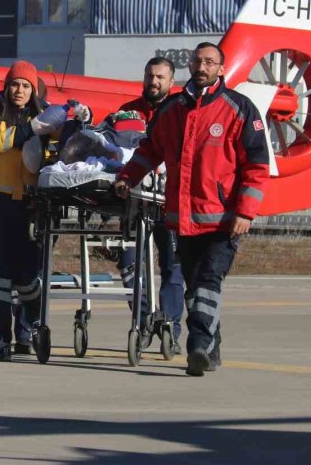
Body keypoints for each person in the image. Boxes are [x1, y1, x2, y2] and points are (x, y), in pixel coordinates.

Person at [114, 42, 269, 376]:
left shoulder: (239, 109)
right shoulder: (172, 110)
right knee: (195, 285)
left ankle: (197, 346)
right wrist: (127, 177)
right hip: (182, 220)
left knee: (208, 282)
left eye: (210, 62)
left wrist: (245, 212)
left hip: (224, 220)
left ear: (221, 69)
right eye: (198, 61)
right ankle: (211, 348)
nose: (202, 67)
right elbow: (149, 150)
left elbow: (257, 166)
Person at [0, 60, 87, 361]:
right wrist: (31, 128)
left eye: (25, 86)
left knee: (25, 276)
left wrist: (80, 120)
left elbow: (67, 144)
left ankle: (34, 325)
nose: (19, 90)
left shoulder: (46, 113)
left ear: (34, 90)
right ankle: (0, 339)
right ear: (6, 86)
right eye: (14, 84)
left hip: (30, 206)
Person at [115, 56, 184, 354]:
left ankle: (169, 326)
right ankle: (142, 322)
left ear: (171, 82)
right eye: (149, 76)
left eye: (160, 77)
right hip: (134, 203)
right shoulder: (126, 112)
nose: (153, 82)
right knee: (130, 264)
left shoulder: (183, 111)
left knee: (174, 267)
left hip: (170, 202)